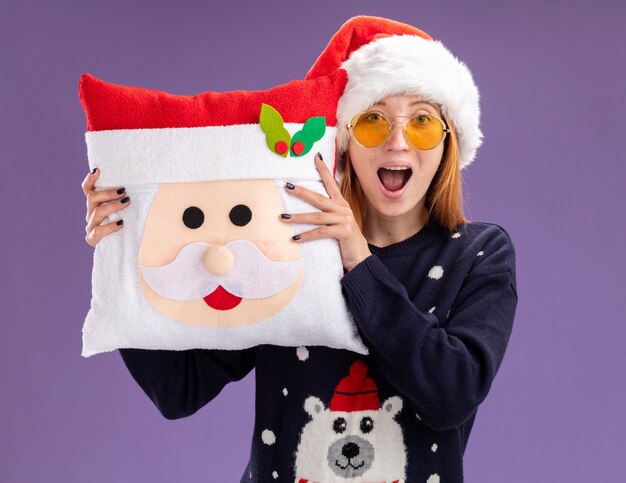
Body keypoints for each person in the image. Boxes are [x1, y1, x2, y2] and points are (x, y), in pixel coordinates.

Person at [81, 16, 517, 483]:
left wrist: (358, 261)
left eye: (423, 122)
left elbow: (451, 395)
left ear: (448, 143)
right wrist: (123, 243)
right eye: (373, 120)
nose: (397, 141)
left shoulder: (479, 252)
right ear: (344, 145)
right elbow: (178, 390)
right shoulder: (291, 241)